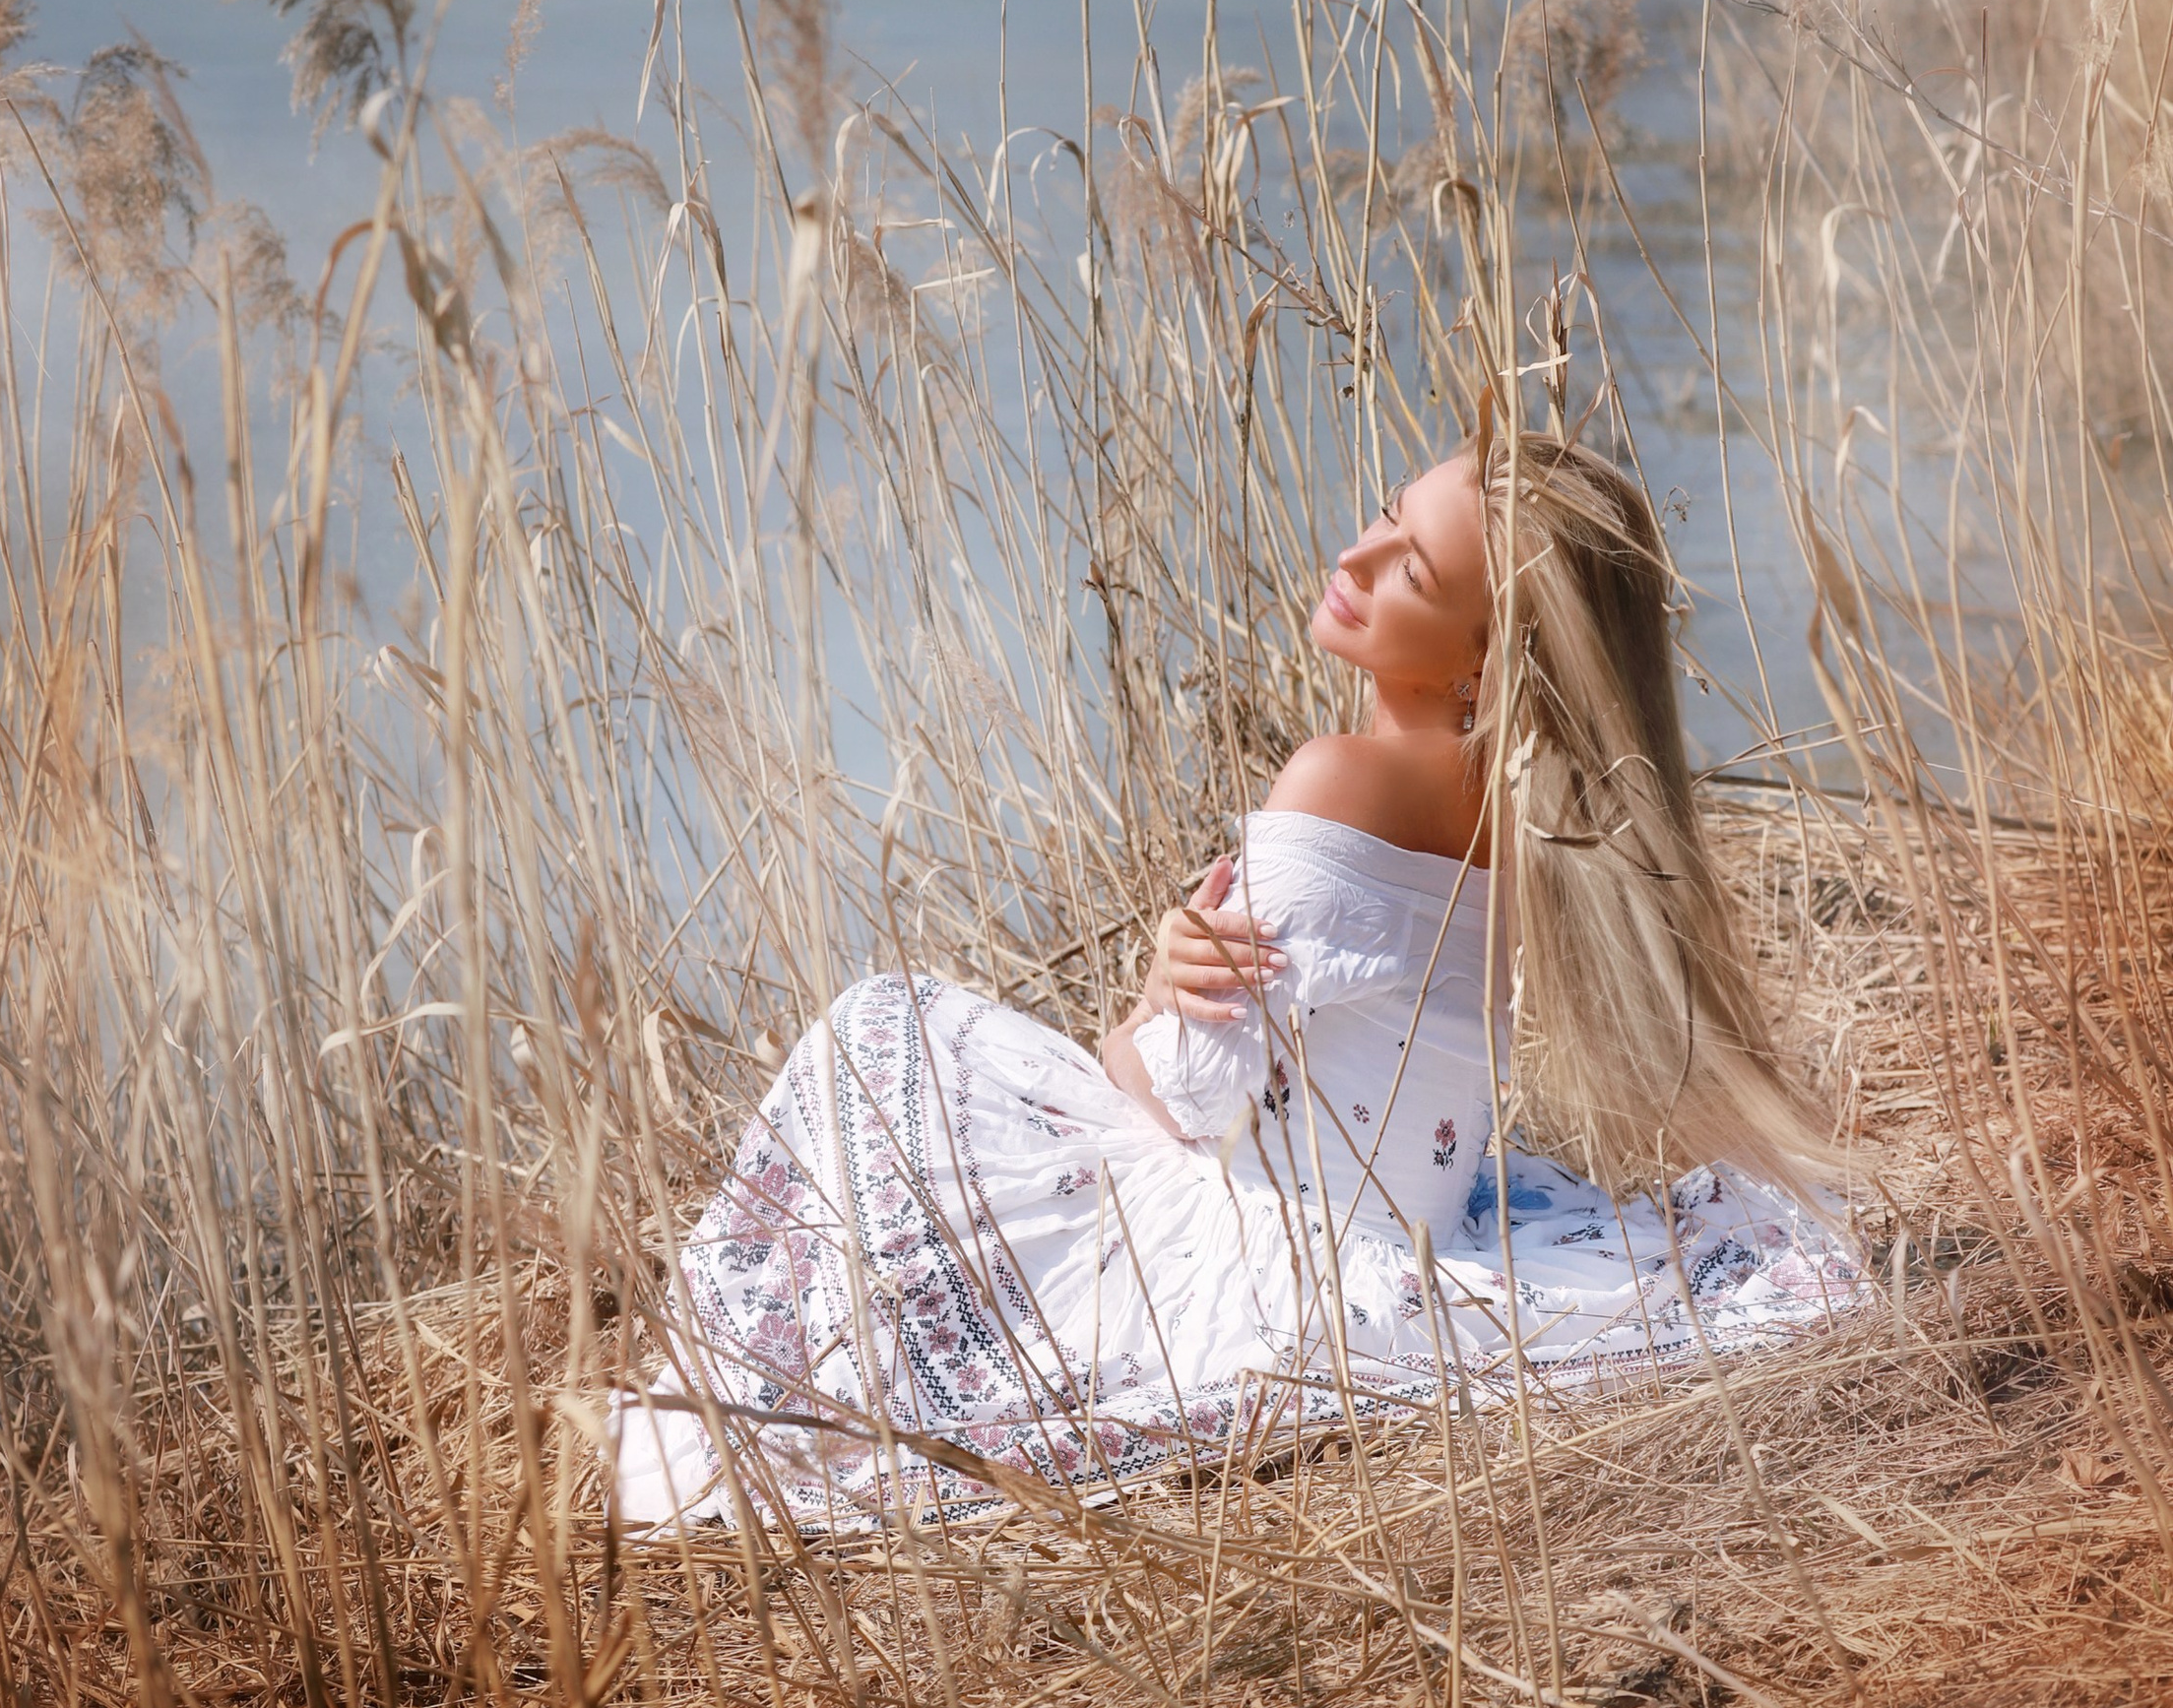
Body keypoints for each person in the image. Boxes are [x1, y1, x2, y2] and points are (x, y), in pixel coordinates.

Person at [612, 436, 1864, 1530]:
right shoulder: (1536, 815)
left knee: (878, 1028)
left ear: (1485, 661)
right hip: (1407, 1228)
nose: (1359, 555)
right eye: (1385, 513)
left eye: (1410, 570)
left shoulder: (1344, 781)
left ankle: (745, 1386)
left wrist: (1150, 1001)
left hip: (1278, 1250)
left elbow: (1174, 1099)